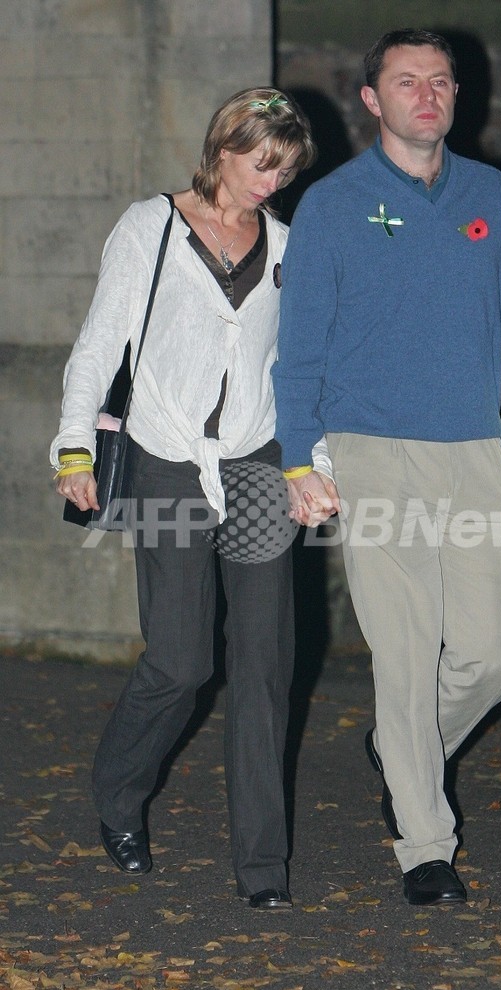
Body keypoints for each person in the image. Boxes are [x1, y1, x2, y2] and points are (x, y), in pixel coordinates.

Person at [272, 29, 501, 907]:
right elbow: (299, 348)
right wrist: (298, 458)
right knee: (405, 650)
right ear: (372, 99)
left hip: (478, 446)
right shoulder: (333, 204)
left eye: (440, 81)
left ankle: (400, 749)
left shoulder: (491, 194)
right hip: (372, 448)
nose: (427, 94)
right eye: (406, 81)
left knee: (500, 653)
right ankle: (423, 846)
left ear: (456, 96)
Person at [50, 88, 324, 911]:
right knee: (180, 662)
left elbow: (300, 369)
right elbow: (100, 342)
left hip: (256, 464)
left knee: (265, 662)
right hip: (166, 460)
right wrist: (72, 445)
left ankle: (263, 868)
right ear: (222, 148)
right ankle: (118, 792)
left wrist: (311, 465)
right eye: (261, 163)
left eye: (285, 170)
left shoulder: (287, 246)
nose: (271, 182)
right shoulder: (152, 227)